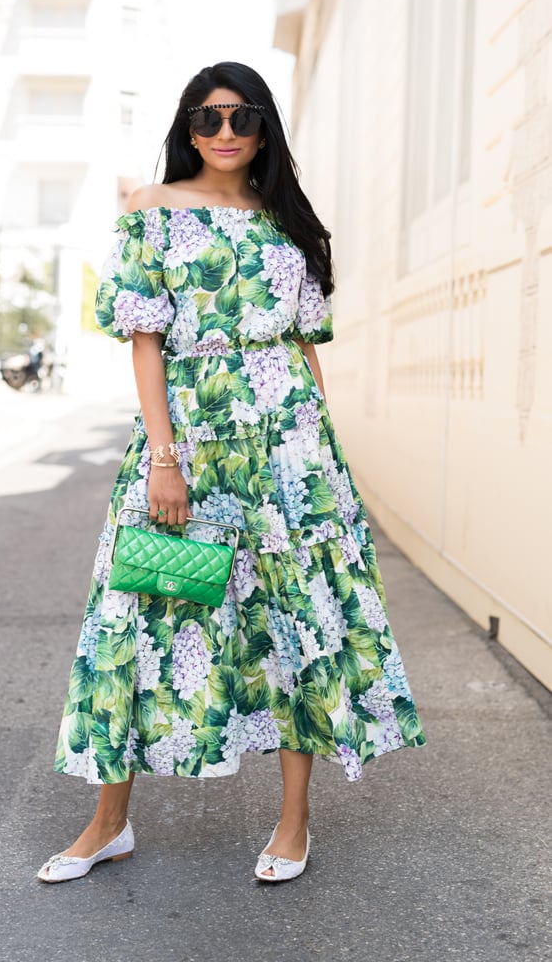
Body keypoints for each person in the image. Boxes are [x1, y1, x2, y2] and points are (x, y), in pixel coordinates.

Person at [38, 61, 425, 885]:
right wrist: (164, 459)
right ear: (185, 126)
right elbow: (145, 342)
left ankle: (294, 821)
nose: (223, 133)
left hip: (290, 452)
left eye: (241, 118)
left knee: (297, 625)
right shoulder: (151, 212)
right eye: (206, 118)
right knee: (139, 617)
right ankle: (107, 822)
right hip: (191, 439)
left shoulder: (286, 222)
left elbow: (300, 350)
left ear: (263, 128)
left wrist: (331, 466)